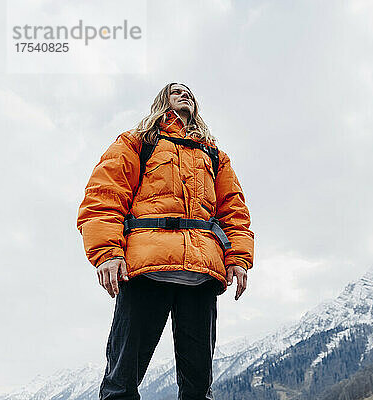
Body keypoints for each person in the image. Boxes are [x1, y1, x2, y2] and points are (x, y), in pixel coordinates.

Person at [76, 82, 254, 399]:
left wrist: (238, 259)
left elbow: (234, 211)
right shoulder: (136, 142)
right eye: (176, 91)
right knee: (121, 381)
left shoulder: (215, 155)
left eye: (189, 93)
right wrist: (106, 253)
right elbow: (104, 197)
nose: (184, 94)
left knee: (199, 386)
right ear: (162, 101)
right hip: (145, 269)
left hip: (201, 275)